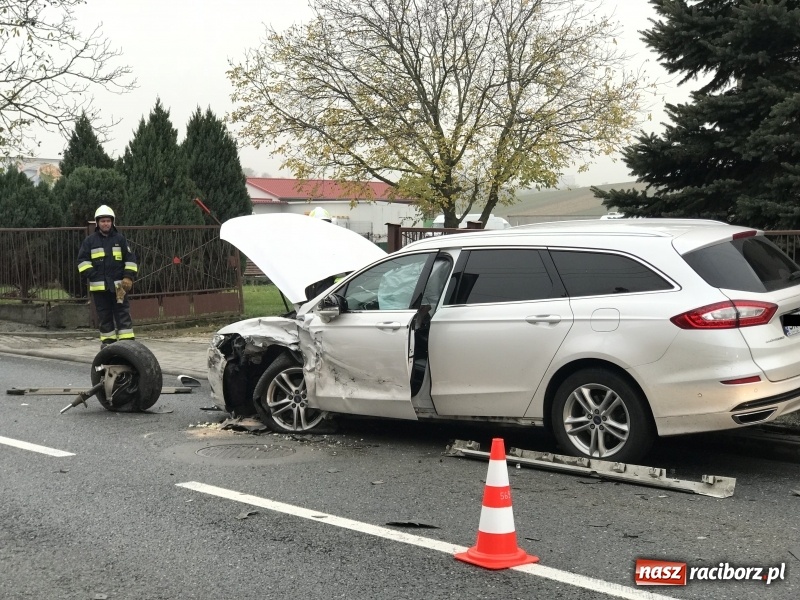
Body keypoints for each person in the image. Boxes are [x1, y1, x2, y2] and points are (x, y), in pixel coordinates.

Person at [77, 205, 138, 347]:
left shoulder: (120, 239)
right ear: (97, 223)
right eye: (103, 221)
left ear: (112, 222)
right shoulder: (90, 241)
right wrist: (93, 274)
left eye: (108, 221)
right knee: (104, 317)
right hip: (99, 289)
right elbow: (82, 262)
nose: (106, 223)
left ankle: (127, 345)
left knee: (122, 315)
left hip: (118, 288)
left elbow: (130, 259)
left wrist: (128, 277)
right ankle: (108, 346)